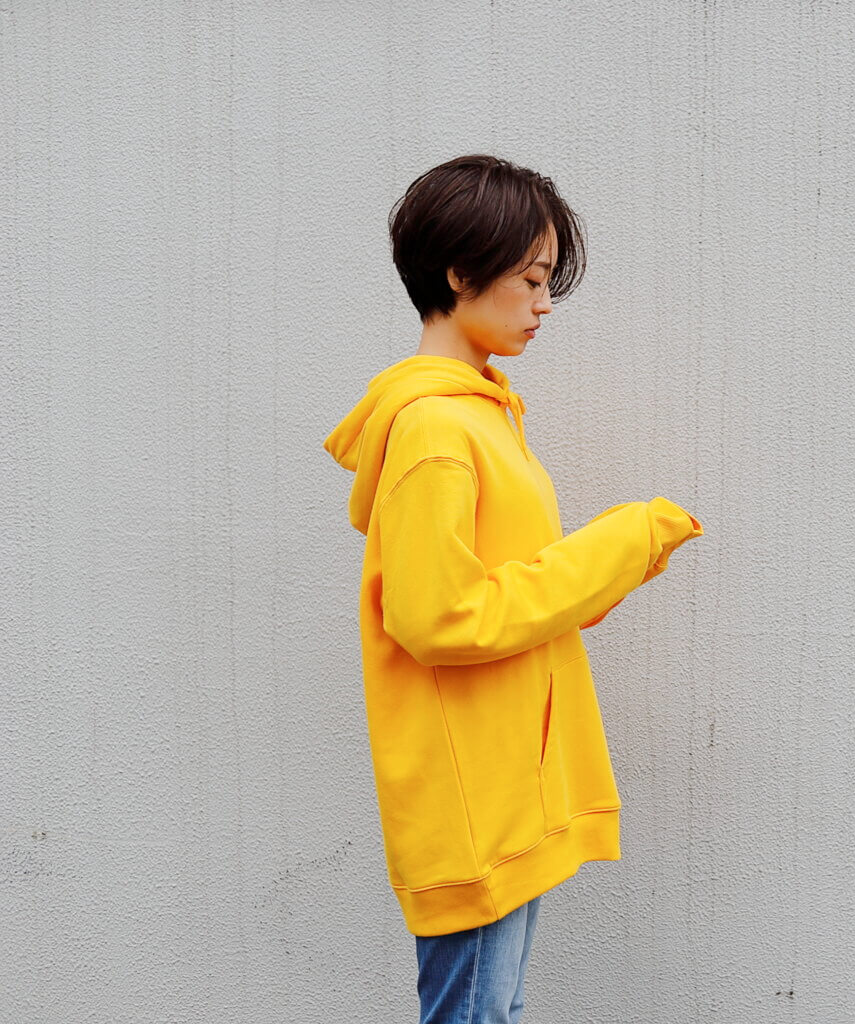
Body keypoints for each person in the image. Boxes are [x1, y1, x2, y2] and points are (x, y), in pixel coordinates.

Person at [322, 154, 704, 1023]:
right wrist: (619, 544)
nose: (544, 304)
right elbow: (438, 618)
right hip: (475, 805)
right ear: (460, 274)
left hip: (502, 789)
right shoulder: (435, 428)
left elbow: (502, 589)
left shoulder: (480, 413)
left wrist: (605, 570)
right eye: (532, 280)